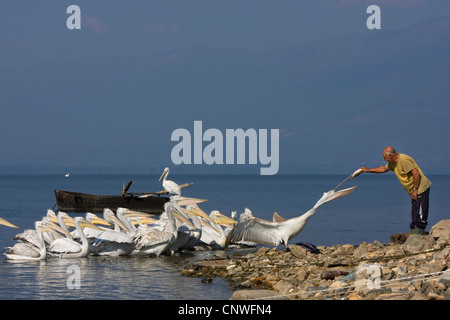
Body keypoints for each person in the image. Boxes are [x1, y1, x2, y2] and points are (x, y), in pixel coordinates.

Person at [360, 146, 431, 235]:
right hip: (413, 190)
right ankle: (414, 234)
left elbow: (416, 174)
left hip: (421, 188)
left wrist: (415, 190)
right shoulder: (393, 163)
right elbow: (383, 169)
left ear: (390, 155)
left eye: (385, 158)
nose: (385, 160)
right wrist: (367, 170)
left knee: (421, 213)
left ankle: (419, 235)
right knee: (414, 212)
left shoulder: (403, 160)